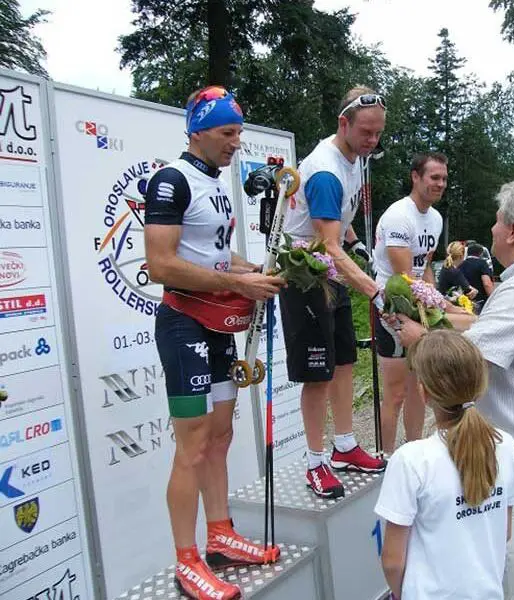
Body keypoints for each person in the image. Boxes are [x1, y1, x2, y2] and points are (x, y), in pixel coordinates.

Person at [394, 181, 514, 599]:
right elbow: (485, 329)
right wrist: (441, 314)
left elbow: (468, 360)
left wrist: (417, 336)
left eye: (498, 222)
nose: (493, 229)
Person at [145, 86, 286, 600]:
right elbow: (160, 265)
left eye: (238, 132)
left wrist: (260, 271)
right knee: (193, 445)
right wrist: (241, 284)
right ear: (199, 130)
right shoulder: (171, 180)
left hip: (219, 326)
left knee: (222, 437)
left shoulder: (216, 182)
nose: (236, 143)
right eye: (228, 133)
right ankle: (187, 561)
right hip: (184, 323)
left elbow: (213, 254)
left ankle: (220, 533)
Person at [279, 87, 387, 499]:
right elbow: (326, 244)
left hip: (332, 269)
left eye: (378, 134)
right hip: (305, 274)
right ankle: (314, 460)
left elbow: (342, 222)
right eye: (365, 132)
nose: (372, 141)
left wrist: (359, 243)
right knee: (317, 372)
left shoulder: (355, 159)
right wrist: (373, 290)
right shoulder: (324, 171)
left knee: (345, 360)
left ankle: (344, 445)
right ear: (343, 123)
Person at [374, 330, 514, 600]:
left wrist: (402, 594)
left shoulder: (412, 460)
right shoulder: (506, 446)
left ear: (424, 392)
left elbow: (392, 560)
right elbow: (505, 532)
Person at [371, 152, 446, 453]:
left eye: (443, 178)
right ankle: (387, 458)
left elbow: (424, 266)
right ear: (416, 177)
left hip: (418, 305)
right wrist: (434, 306)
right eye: (434, 177)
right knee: (396, 392)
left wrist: (435, 302)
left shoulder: (436, 218)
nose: (440, 184)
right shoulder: (399, 216)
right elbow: (403, 275)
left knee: (419, 388)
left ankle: (415, 453)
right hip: (390, 305)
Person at [459, 242, 494, 313]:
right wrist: (493, 298)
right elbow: (487, 284)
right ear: (480, 253)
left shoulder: (461, 264)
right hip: (480, 301)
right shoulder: (482, 263)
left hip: (464, 301)